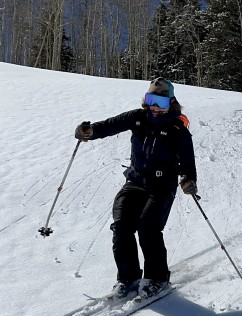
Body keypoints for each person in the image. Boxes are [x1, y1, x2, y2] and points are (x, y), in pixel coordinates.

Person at [75, 78, 198, 300]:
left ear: (170, 102)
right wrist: (90, 131)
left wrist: (189, 180)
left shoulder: (177, 129)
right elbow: (110, 125)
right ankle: (128, 279)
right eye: (151, 99)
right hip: (135, 182)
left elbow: (188, 163)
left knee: (148, 228)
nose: (154, 106)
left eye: (160, 101)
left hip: (162, 185)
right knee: (122, 226)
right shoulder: (138, 118)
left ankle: (157, 279)